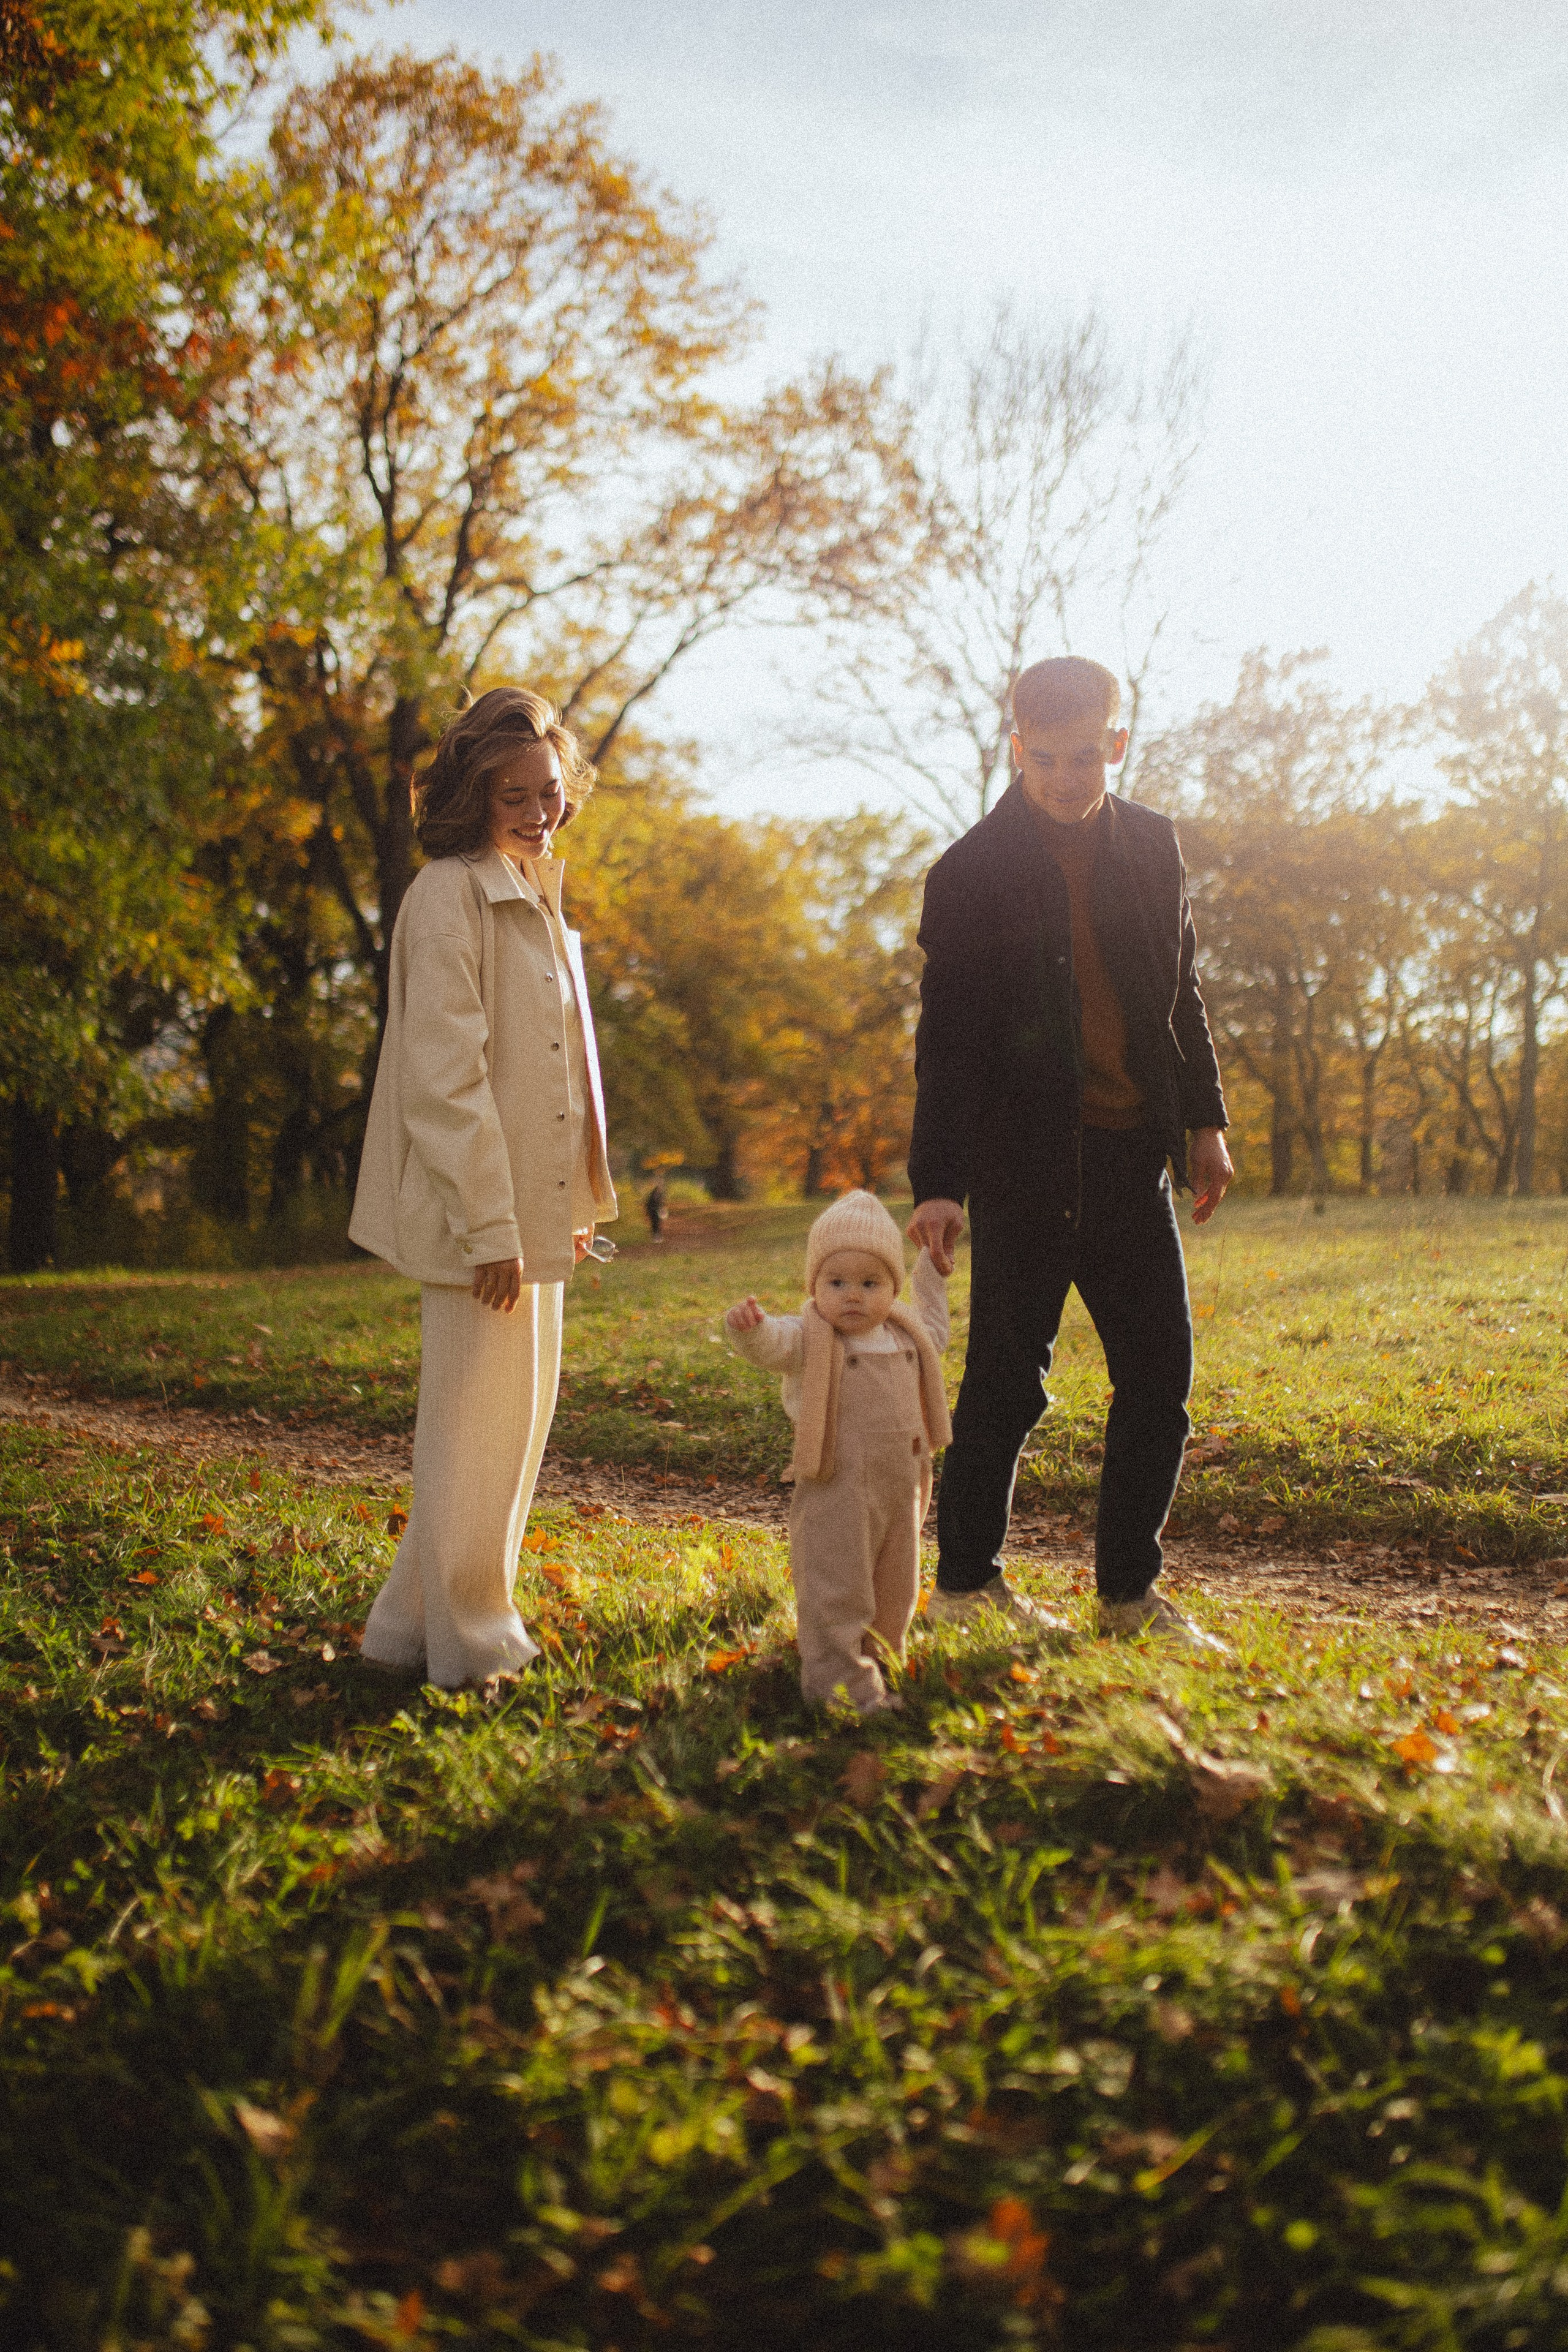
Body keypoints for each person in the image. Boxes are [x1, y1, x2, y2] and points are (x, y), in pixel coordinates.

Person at [907, 655, 1232, 1650]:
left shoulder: (1154, 845)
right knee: (1008, 1383)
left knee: (1160, 1380)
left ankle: (1129, 1595)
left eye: (1085, 756)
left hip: (1132, 1160)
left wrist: (1205, 1122)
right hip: (1024, 1166)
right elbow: (947, 1043)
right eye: (1045, 758)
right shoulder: (970, 873)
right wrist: (939, 1185)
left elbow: (1180, 991)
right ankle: (965, 1587)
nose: (1064, 777)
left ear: (1117, 744)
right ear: (1018, 749)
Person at [349, 687, 617, 1687]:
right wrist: (492, 1228)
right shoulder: (447, 895)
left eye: (550, 791)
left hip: (523, 1216)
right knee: (473, 1431)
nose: (540, 812)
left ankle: (406, 1627)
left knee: (515, 1420)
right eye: (515, 796)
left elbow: (556, 1073)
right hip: (477, 1222)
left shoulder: (534, 888)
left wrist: (570, 1206)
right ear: (472, 795)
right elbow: (445, 1081)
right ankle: (472, 1646)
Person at [725, 1191, 952, 1712]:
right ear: (815, 1286)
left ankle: (880, 1661)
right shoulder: (809, 1336)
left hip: (902, 1484)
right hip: (837, 1482)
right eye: (836, 1283)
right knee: (837, 1582)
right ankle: (839, 1685)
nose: (853, 1296)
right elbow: (773, 1345)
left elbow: (937, 1326)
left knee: (896, 1585)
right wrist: (751, 1330)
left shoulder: (906, 1332)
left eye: (870, 1284)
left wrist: (931, 1271)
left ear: (892, 1288)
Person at [644, 1175, 667, 1241]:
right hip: (653, 1211)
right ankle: (655, 1236)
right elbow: (650, 1204)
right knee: (655, 1224)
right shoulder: (654, 1194)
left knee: (658, 1223)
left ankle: (657, 1236)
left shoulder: (659, 1194)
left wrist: (662, 1209)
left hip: (656, 1211)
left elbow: (661, 1203)